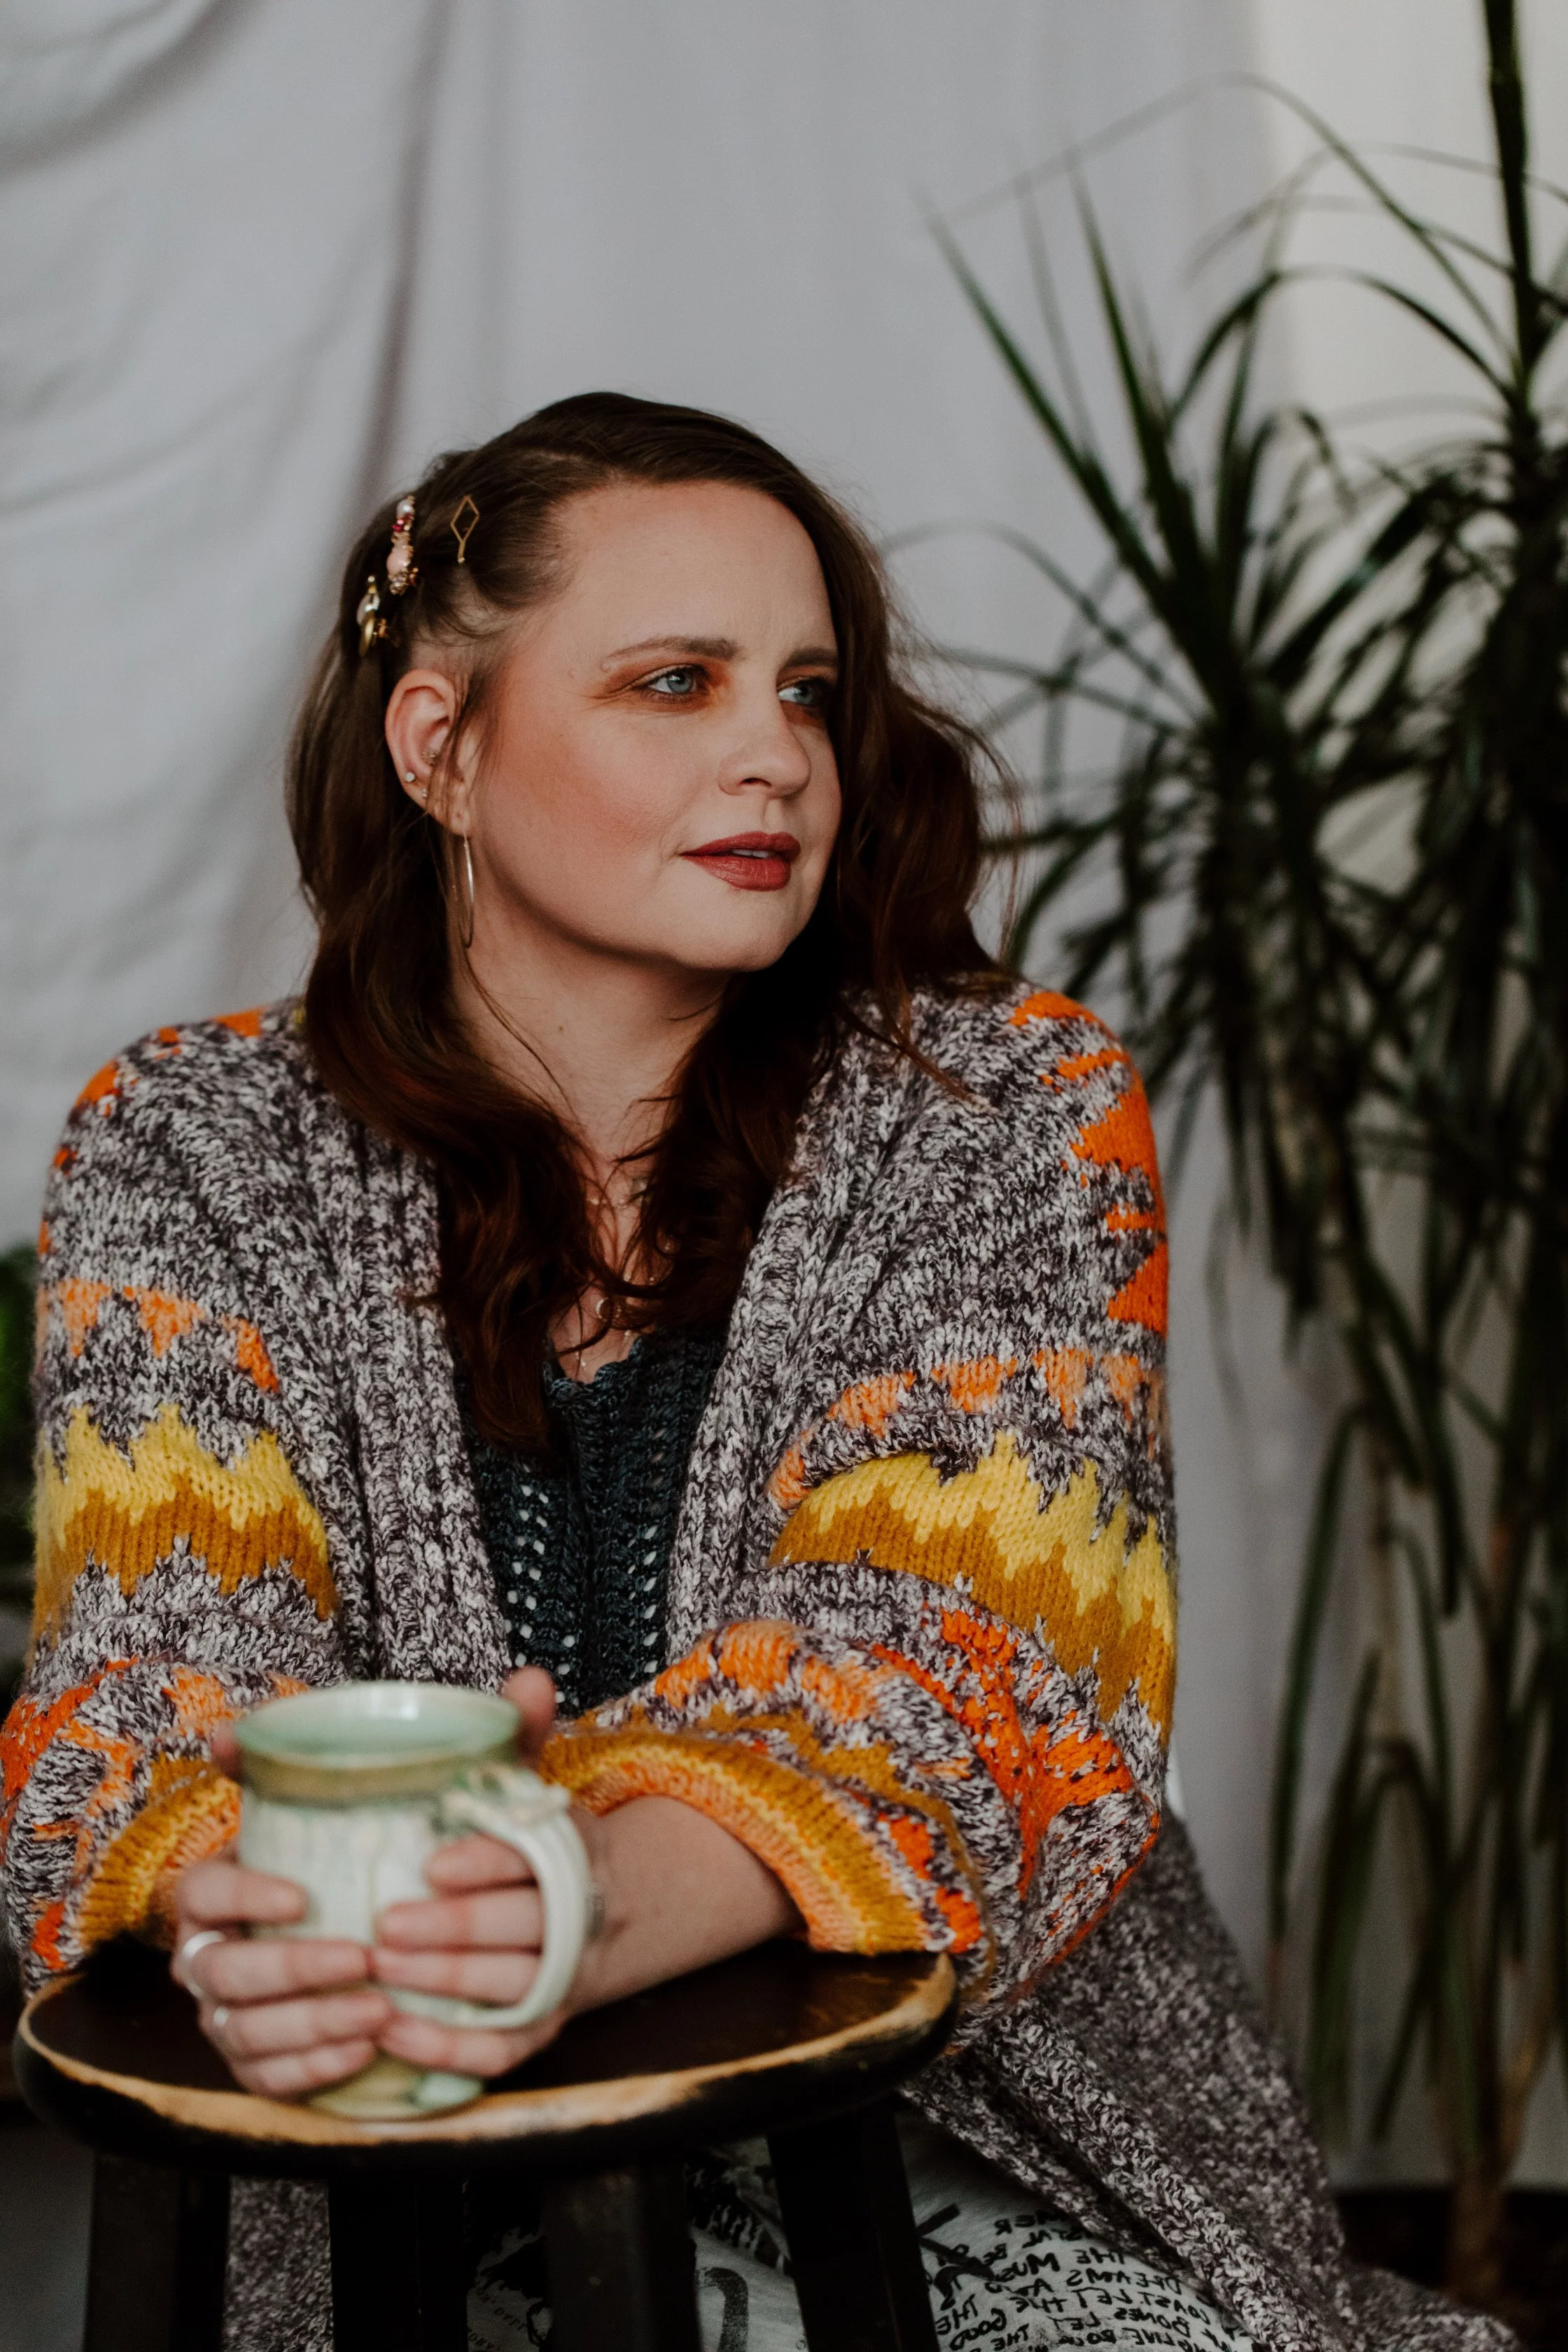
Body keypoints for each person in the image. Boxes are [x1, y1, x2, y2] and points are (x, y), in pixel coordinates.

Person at [1, 394, 1508, 2352]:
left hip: (974, 2157)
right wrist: (248, 1900)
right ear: (439, 744)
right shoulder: (185, 1146)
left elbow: (957, 1674)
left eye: (805, 690)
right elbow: (140, 1684)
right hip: (405, 2194)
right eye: (672, 682)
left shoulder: (1008, 1115)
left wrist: (559, 1913)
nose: (772, 756)